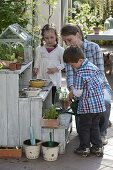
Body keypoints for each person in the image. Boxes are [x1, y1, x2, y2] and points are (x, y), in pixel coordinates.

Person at [61, 23, 112, 145]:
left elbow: (100, 73)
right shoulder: (68, 53)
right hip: (79, 90)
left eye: (69, 39)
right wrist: (73, 91)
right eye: (65, 41)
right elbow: (70, 77)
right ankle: (91, 129)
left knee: (104, 102)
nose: (68, 44)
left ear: (77, 35)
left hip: (99, 86)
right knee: (81, 132)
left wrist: (89, 90)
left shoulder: (94, 48)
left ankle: (102, 132)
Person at [63, 46, 106, 157]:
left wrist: (71, 93)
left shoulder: (80, 73)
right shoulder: (93, 67)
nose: (72, 67)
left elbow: (78, 93)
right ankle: (97, 148)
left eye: (72, 65)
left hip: (88, 107)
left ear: (80, 60)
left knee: (84, 127)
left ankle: (84, 148)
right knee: (94, 126)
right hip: (99, 106)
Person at [33, 24, 64, 104]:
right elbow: (37, 60)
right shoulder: (39, 49)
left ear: (56, 37)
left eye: (51, 37)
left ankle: (52, 111)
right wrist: (36, 67)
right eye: (46, 38)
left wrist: (56, 68)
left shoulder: (60, 50)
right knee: (42, 95)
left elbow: (64, 64)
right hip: (42, 76)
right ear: (43, 38)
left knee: (53, 97)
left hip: (54, 78)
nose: (49, 40)